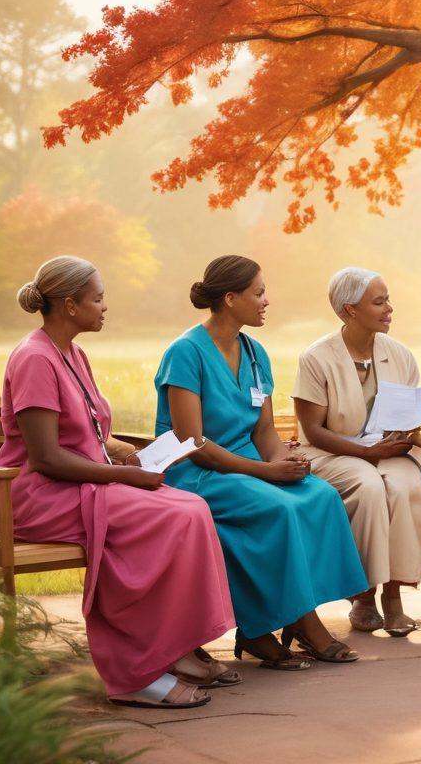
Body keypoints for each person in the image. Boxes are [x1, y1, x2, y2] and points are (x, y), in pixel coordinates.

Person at [0, 256, 236, 709]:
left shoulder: (74, 353)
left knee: (190, 507)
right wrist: (127, 475)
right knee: (165, 520)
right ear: (71, 305)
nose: (104, 308)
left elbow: (89, 434)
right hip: (36, 494)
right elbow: (46, 457)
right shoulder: (34, 359)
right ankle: (136, 673)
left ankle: (173, 650)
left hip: (80, 483)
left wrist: (129, 455)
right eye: (97, 299)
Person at [155, 255, 368, 670]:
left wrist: (283, 465)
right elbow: (191, 441)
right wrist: (266, 473)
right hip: (199, 473)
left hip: (249, 467)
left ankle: (285, 619)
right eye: (259, 293)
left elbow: (265, 431)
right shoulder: (185, 353)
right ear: (231, 298)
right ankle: (297, 622)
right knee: (279, 509)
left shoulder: (255, 353)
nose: (267, 301)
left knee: (320, 497)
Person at [293, 267, 421, 637]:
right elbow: (312, 431)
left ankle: (394, 596)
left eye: (388, 299)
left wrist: (401, 436)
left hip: (388, 453)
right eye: (379, 302)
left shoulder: (400, 355)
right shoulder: (316, 358)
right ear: (349, 310)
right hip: (331, 454)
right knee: (370, 487)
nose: (389, 308)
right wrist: (368, 453)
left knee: (405, 488)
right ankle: (364, 595)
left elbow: (406, 417)